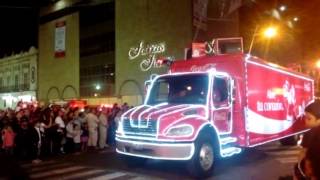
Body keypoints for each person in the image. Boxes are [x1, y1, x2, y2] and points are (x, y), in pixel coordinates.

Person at [294, 100, 320, 179]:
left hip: (314, 168)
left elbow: (303, 153)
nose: (305, 121)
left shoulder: (310, 133)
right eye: (305, 117)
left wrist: (299, 167)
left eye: (309, 119)